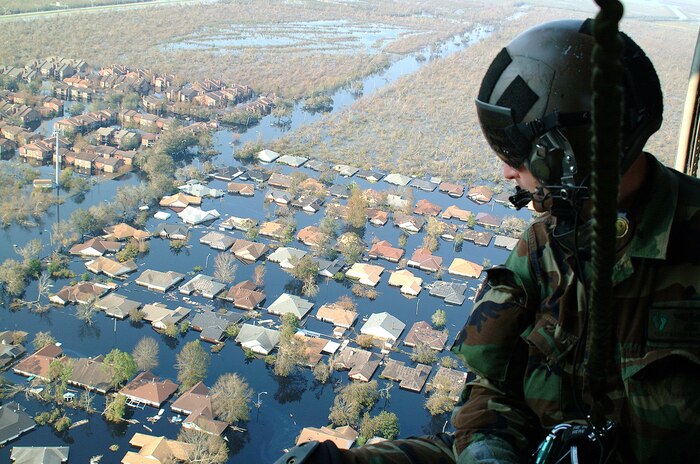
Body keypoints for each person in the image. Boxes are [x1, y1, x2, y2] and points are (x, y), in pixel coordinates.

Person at [275, 18, 700, 464]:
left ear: (564, 156)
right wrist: (488, 452)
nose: (507, 173)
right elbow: (490, 386)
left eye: (516, 157)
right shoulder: (545, 245)